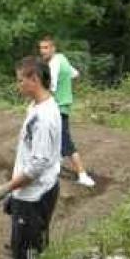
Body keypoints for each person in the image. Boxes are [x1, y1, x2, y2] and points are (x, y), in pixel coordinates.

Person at [0, 57, 62, 259]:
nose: (17, 85)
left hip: (35, 195)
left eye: (20, 80)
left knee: (27, 256)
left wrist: (6, 188)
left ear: (34, 79)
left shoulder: (44, 118)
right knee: (24, 248)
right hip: (31, 192)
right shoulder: (36, 106)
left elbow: (39, 164)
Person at [38, 36, 95, 187]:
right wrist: (67, 89)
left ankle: (82, 174)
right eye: (41, 48)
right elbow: (75, 74)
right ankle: (55, 166)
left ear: (53, 48)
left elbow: (53, 87)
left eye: (45, 48)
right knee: (53, 137)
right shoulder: (62, 58)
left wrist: (39, 101)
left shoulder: (53, 64)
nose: (42, 51)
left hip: (57, 107)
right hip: (64, 105)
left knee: (66, 142)